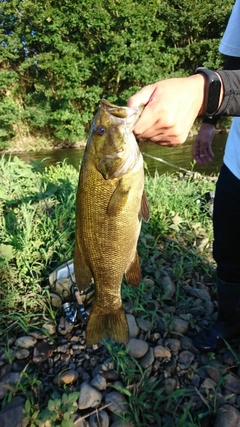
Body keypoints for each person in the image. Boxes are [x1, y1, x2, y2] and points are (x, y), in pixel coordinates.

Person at [127, 0, 240, 352]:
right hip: (237, 163)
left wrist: (204, 91)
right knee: (228, 248)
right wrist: (209, 120)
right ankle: (231, 324)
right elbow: (234, 61)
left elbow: (218, 83)